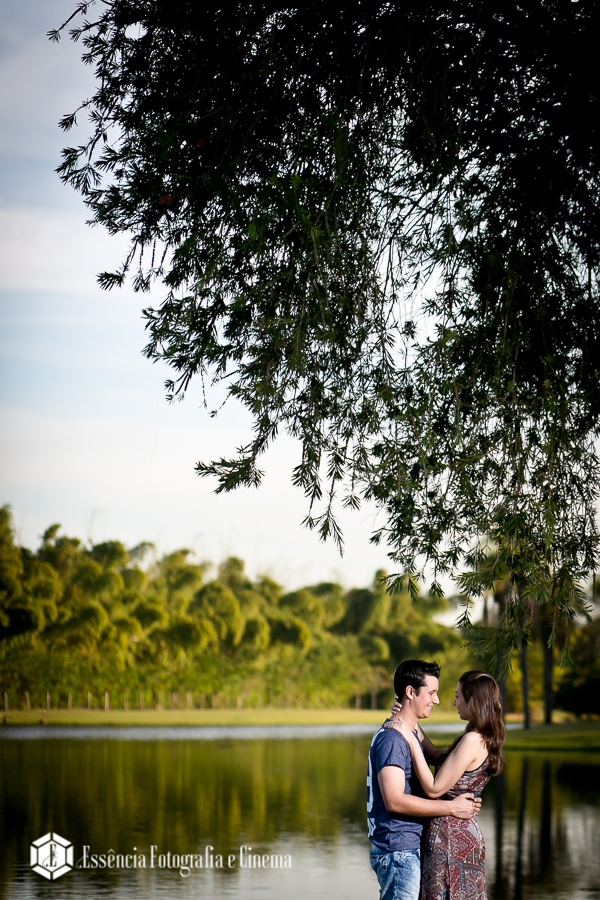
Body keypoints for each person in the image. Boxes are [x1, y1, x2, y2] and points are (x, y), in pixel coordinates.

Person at [367, 660, 482, 900]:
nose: (436, 700)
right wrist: (452, 808)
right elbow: (394, 801)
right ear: (411, 692)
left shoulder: (406, 733)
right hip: (398, 850)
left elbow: (441, 758)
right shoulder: (393, 739)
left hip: (405, 849)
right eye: (431, 693)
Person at [386, 670, 505, 900]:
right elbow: (436, 755)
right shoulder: (479, 735)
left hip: (452, 841)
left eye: (458, 696)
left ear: (473, 701)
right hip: (456, 834)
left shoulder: (473, 740)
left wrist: (408, 737)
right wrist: (410, 722)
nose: (453, 702)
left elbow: (434, 789)